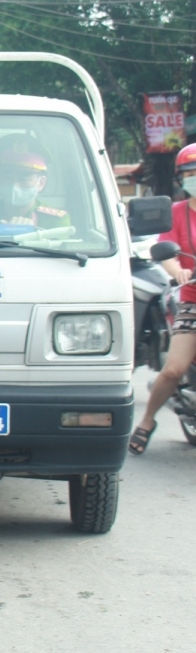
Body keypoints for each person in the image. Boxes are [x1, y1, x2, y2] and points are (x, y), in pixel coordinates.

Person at [131, 144, 196, 454]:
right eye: (191, 174)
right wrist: (180, 271)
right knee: (173, 369)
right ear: (181, 179)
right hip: (192, 301)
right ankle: (146, 420)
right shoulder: (177, 213)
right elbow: (165, 251)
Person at [0, 137, 70, 229]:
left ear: (41, 183)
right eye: (7, 177)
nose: (14, 185)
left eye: (24, 178)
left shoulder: (55, 221)